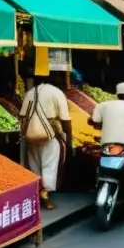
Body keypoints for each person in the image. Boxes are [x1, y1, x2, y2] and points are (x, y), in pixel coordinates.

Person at [20, 72, 71, 210]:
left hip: (31, 134)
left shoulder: (30, 92)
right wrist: (69, 140)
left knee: (34, 164)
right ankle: (45, 195)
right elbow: (65, 119)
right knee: (49, 165)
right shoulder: (56, 92)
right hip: (50, 135)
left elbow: (22, 116)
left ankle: (36, 193)